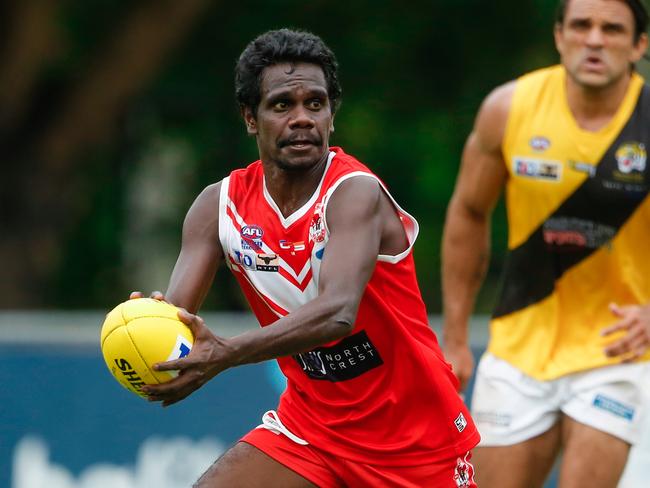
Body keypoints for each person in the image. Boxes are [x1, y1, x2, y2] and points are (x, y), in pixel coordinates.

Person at [135, 29, 480, 487]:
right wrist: (146, 328)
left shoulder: (355, 193)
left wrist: (227, 353)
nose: (302, 118)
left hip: (413, 442)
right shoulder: (217, 208)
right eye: (282, 105)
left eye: (315, 104)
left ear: (331, 116)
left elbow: (337, 313)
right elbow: (177, 321)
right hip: (310, 432)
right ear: (250, 118)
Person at [441, 0, 650, 486]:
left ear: (639, 45)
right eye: (581, 25)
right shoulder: (509, 109)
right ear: (560, 35)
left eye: (612, 29)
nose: (594, 39)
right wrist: (453, 338)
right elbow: (469, 213)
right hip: (518, 349)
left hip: (616, 350)